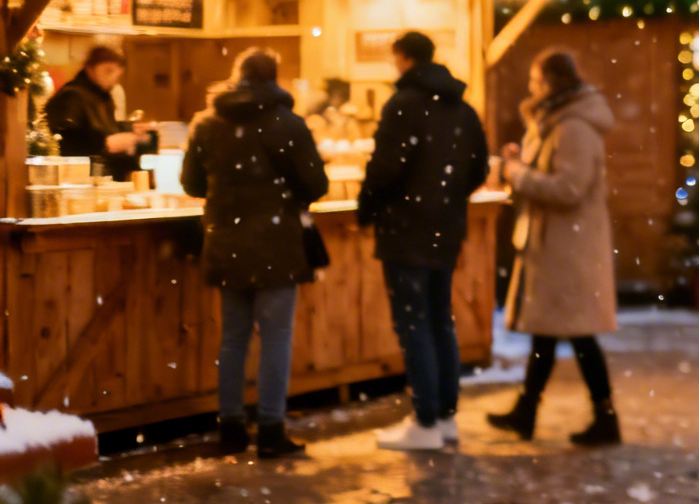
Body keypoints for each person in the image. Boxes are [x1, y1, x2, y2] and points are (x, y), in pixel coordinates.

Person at [180, 49, 327, 458]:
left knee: (233, 338)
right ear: (275, 78)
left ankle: (230, 426)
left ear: (236, 76)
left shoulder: (207, 124)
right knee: (276, 339)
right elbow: (316, 185)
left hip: (226, 242)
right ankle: (270, 428)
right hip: (277, 246)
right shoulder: (289, 125)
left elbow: (192, 184)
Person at [358, 31, 492, 453]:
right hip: (444, 227)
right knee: (439, 320)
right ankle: (445, 416)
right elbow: (479, 168)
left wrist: (367, 209)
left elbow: (384, 169)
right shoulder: (463, 110)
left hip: (405, 228)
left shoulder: (403, 107)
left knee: (414, 323)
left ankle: (426, 420)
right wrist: (447, 200)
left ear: (403, 58)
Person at [487, 49, 622, 446]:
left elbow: (568, 189)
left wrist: (518, 173)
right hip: (557, 246)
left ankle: (605, 418)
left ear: (551, 82)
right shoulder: (557, 122)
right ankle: (527, 410)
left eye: (535, 80)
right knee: (549, 332)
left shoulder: (574, 126)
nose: (530, 88)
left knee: (579, 334)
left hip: (568, 247)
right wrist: (524, 161)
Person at [44, 45, 153, 178]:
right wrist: (105, 143)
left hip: (102, 178)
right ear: (90, 69)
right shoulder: (72, 97)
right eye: (108, 71)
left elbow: (105, 129)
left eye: (117, 74)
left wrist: (130, 129)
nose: (113, 77)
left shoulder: (103, 97)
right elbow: (62, 140)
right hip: (81, 178)